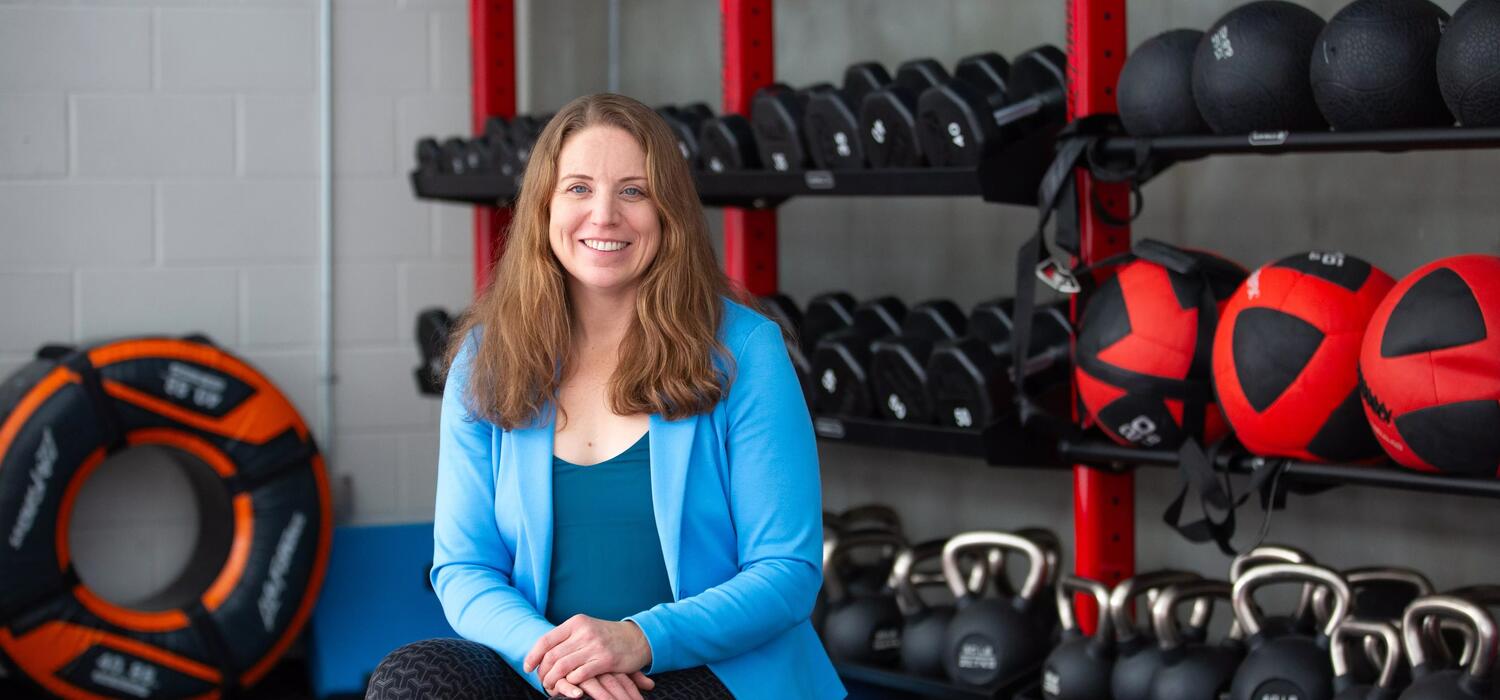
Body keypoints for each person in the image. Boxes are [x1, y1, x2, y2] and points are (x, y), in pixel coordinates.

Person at [366, 93, 843, 700]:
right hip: (546, 671)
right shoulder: (486, 361)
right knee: (412, 680)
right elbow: (463, 567)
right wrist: (555, 660)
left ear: (668, 211)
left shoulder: (745, 352)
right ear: (543, 208)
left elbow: (787, 573)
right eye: (579, 188)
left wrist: (637, 639)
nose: (604, 215)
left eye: (633, 191)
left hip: (705, 668)